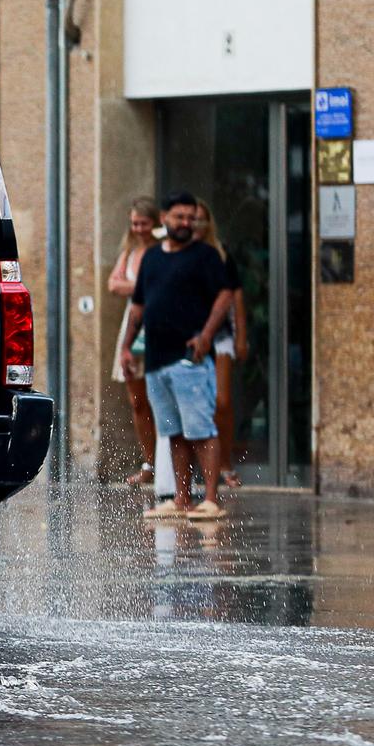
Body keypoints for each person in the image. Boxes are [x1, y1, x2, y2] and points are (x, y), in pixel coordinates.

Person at [118, 192, 232, 520]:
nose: (185, 223)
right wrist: (126, 346)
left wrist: (207, 335)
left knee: (200, 427)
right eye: (179, 216)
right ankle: (181, 499)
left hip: (190, 359)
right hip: (155, 359)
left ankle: (210, 499)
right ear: (164, 218)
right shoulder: (152, 258)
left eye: (190, 217)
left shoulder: (205, 256)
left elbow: (225, 295)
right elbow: (138, 306)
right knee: (173, 431)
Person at [193, 200, 250, 489]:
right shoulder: (180, 254)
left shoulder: (221, 254)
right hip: (189, 335)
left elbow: (235, 296)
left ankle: (225, 461)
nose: (197, 224)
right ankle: (201, 468)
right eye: (193, 219)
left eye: (202, 219)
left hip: (221, 335)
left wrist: (241, 335)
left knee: (221, 401)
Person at [106, 197, 160, 487]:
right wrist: (140, 288)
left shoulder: (161, 251)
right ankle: (149, 462)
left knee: (161, 398)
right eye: (135, 223)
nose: (139, 228)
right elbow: (112, 283)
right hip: (133, 325)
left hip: (158, 324)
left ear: (155, 223)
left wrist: (135, 289)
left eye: (144, 223)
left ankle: (171, 465)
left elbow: (156, 287)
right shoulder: (130, 251)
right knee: (137, 400)